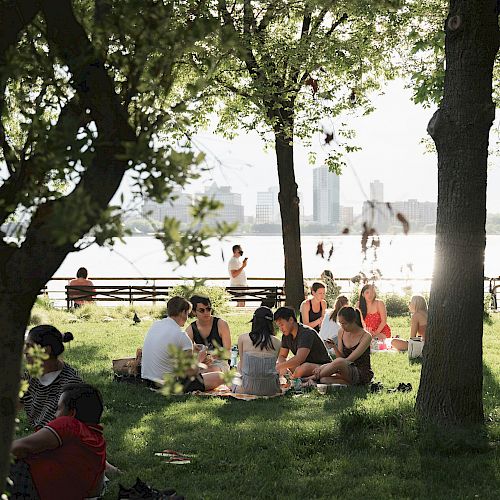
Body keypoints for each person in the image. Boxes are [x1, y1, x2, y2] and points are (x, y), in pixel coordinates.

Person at [9, 383, 106, 500]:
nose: (55, 415)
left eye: (58, 408)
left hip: (25, 483)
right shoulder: (98, 442)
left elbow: (19, 448)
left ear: (71, 413)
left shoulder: (70, 424)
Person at [141, 296, 224, 392]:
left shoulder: (155, 325)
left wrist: (191, 348)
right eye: (187, 314)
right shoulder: (182, 336)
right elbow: (190, 373)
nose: (187, 317)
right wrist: (200, 359)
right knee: (220, 376)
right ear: (183, 312)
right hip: (168, 385)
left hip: (148, 380)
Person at [22, 325, 83, 430]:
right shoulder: (31, 377)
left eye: (29, 346)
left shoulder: (71, 385)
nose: (25, 351)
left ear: (46, 350)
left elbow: (61, 431)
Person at [310, 306, 373, 386]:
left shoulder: (366, 336)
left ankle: (309, 379)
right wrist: (334, 347)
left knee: (337, 363)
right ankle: (349, 385)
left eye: (344, 323)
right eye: (340, 323)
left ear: (353, 321)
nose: (342, 326)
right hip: (345, 371)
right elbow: (341, 357)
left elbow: (348, 360)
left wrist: (325, 367)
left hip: (360, 373)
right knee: (324, 379)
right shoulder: (341, 332)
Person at [234, 306, 281, 396]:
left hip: (246, 388)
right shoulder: (277, 342)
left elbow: (242, 367)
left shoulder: (243, 338)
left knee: (232, 375)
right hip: (270, 389)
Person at [274, 306, 331, 378]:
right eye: (279, 326)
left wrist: (278, 366)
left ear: (291, 320)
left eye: (282, 325)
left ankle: (294, 382)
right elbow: (282, 356)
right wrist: (283, 368)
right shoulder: (286, 335)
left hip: (322, 366)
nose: (280, 329)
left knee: (302, 368)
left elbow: (299, 359)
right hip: (304, 365)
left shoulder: (306, 333)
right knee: (286, 364)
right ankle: (296, 379)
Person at [185, 295, 231, 372]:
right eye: (201, 310)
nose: (206, 313)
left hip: (220, 362)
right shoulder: (191, 329)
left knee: (209, 371)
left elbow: (227, 351)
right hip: (200, 362)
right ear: (193, 312)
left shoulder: (221, 324)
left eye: (208, 309)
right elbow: (187, 354)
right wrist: (198, 358)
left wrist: (212, 357)